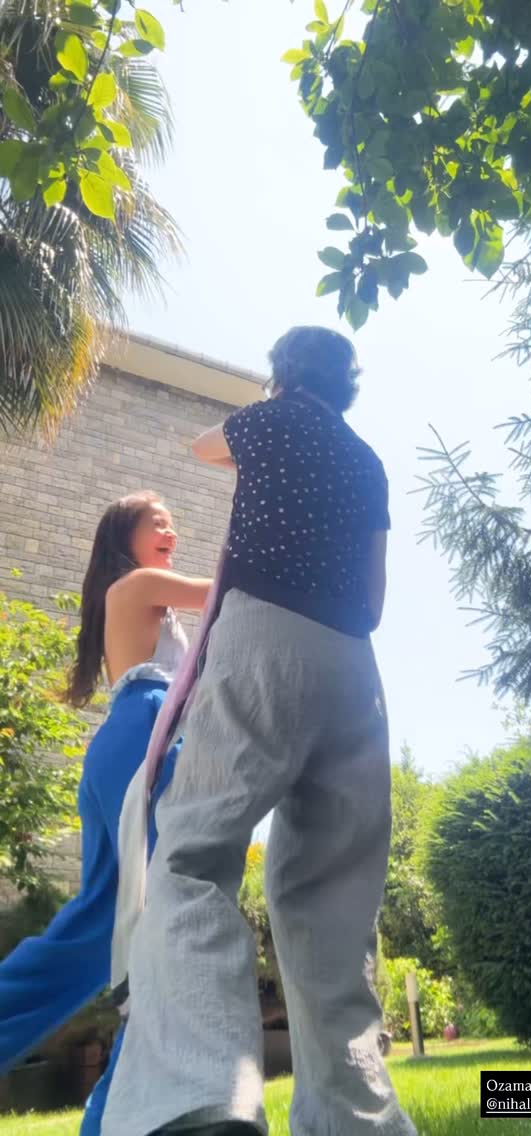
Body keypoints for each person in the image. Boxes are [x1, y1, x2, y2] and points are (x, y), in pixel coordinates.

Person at [103, 327, 417, 1136]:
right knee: (332, 905)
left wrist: (268, 405)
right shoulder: (368, 462)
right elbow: (376, 602)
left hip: (266, 638)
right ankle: (358, 1121)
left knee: (193, 855)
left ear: (284, 374)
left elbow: (202, 446)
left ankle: (204, 1096)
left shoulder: (271, 419)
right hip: (355, 671)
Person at [0, 491, 211, 1135]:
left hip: (129, 743)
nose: (172, 531)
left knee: (100, 931)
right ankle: (120, 1116)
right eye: (158, 523)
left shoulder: (141, 596)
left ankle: (114, 1118)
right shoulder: (141, 584)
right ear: (125, 535)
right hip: (146, 735)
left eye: (174, 523)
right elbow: (225, 592)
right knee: (165, 921)